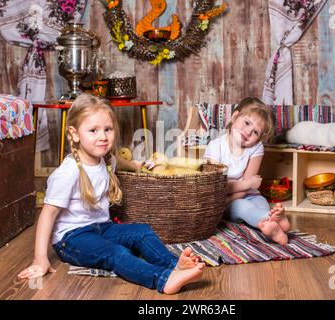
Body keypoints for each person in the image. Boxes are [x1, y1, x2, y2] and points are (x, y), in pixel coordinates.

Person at [18, 93, 204, 294]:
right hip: (71, 238)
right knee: (116, 253)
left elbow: (122, 162)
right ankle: (163, 279)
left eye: (108, 129)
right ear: (74, 134)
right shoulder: (68, 172)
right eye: (93, 130)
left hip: (103, 228)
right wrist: (40, 258)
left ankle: (175, 264)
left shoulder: (106, 160)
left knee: (142, 231)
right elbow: (47, 214)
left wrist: (139, 165)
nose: (103, 136)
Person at [204, 97, 290, 245]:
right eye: (247, 123)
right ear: (235, 116)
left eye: (256, 132)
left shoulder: (256, 147)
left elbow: (249, 187)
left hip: (250, 195)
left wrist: (248, 185)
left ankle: (271, 224)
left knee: (261, 203)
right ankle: (269, 221)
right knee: (244, 208)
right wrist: (247, 185)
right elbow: (216, 188)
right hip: (224, 201)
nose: (248, 132)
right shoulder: (215, 147)